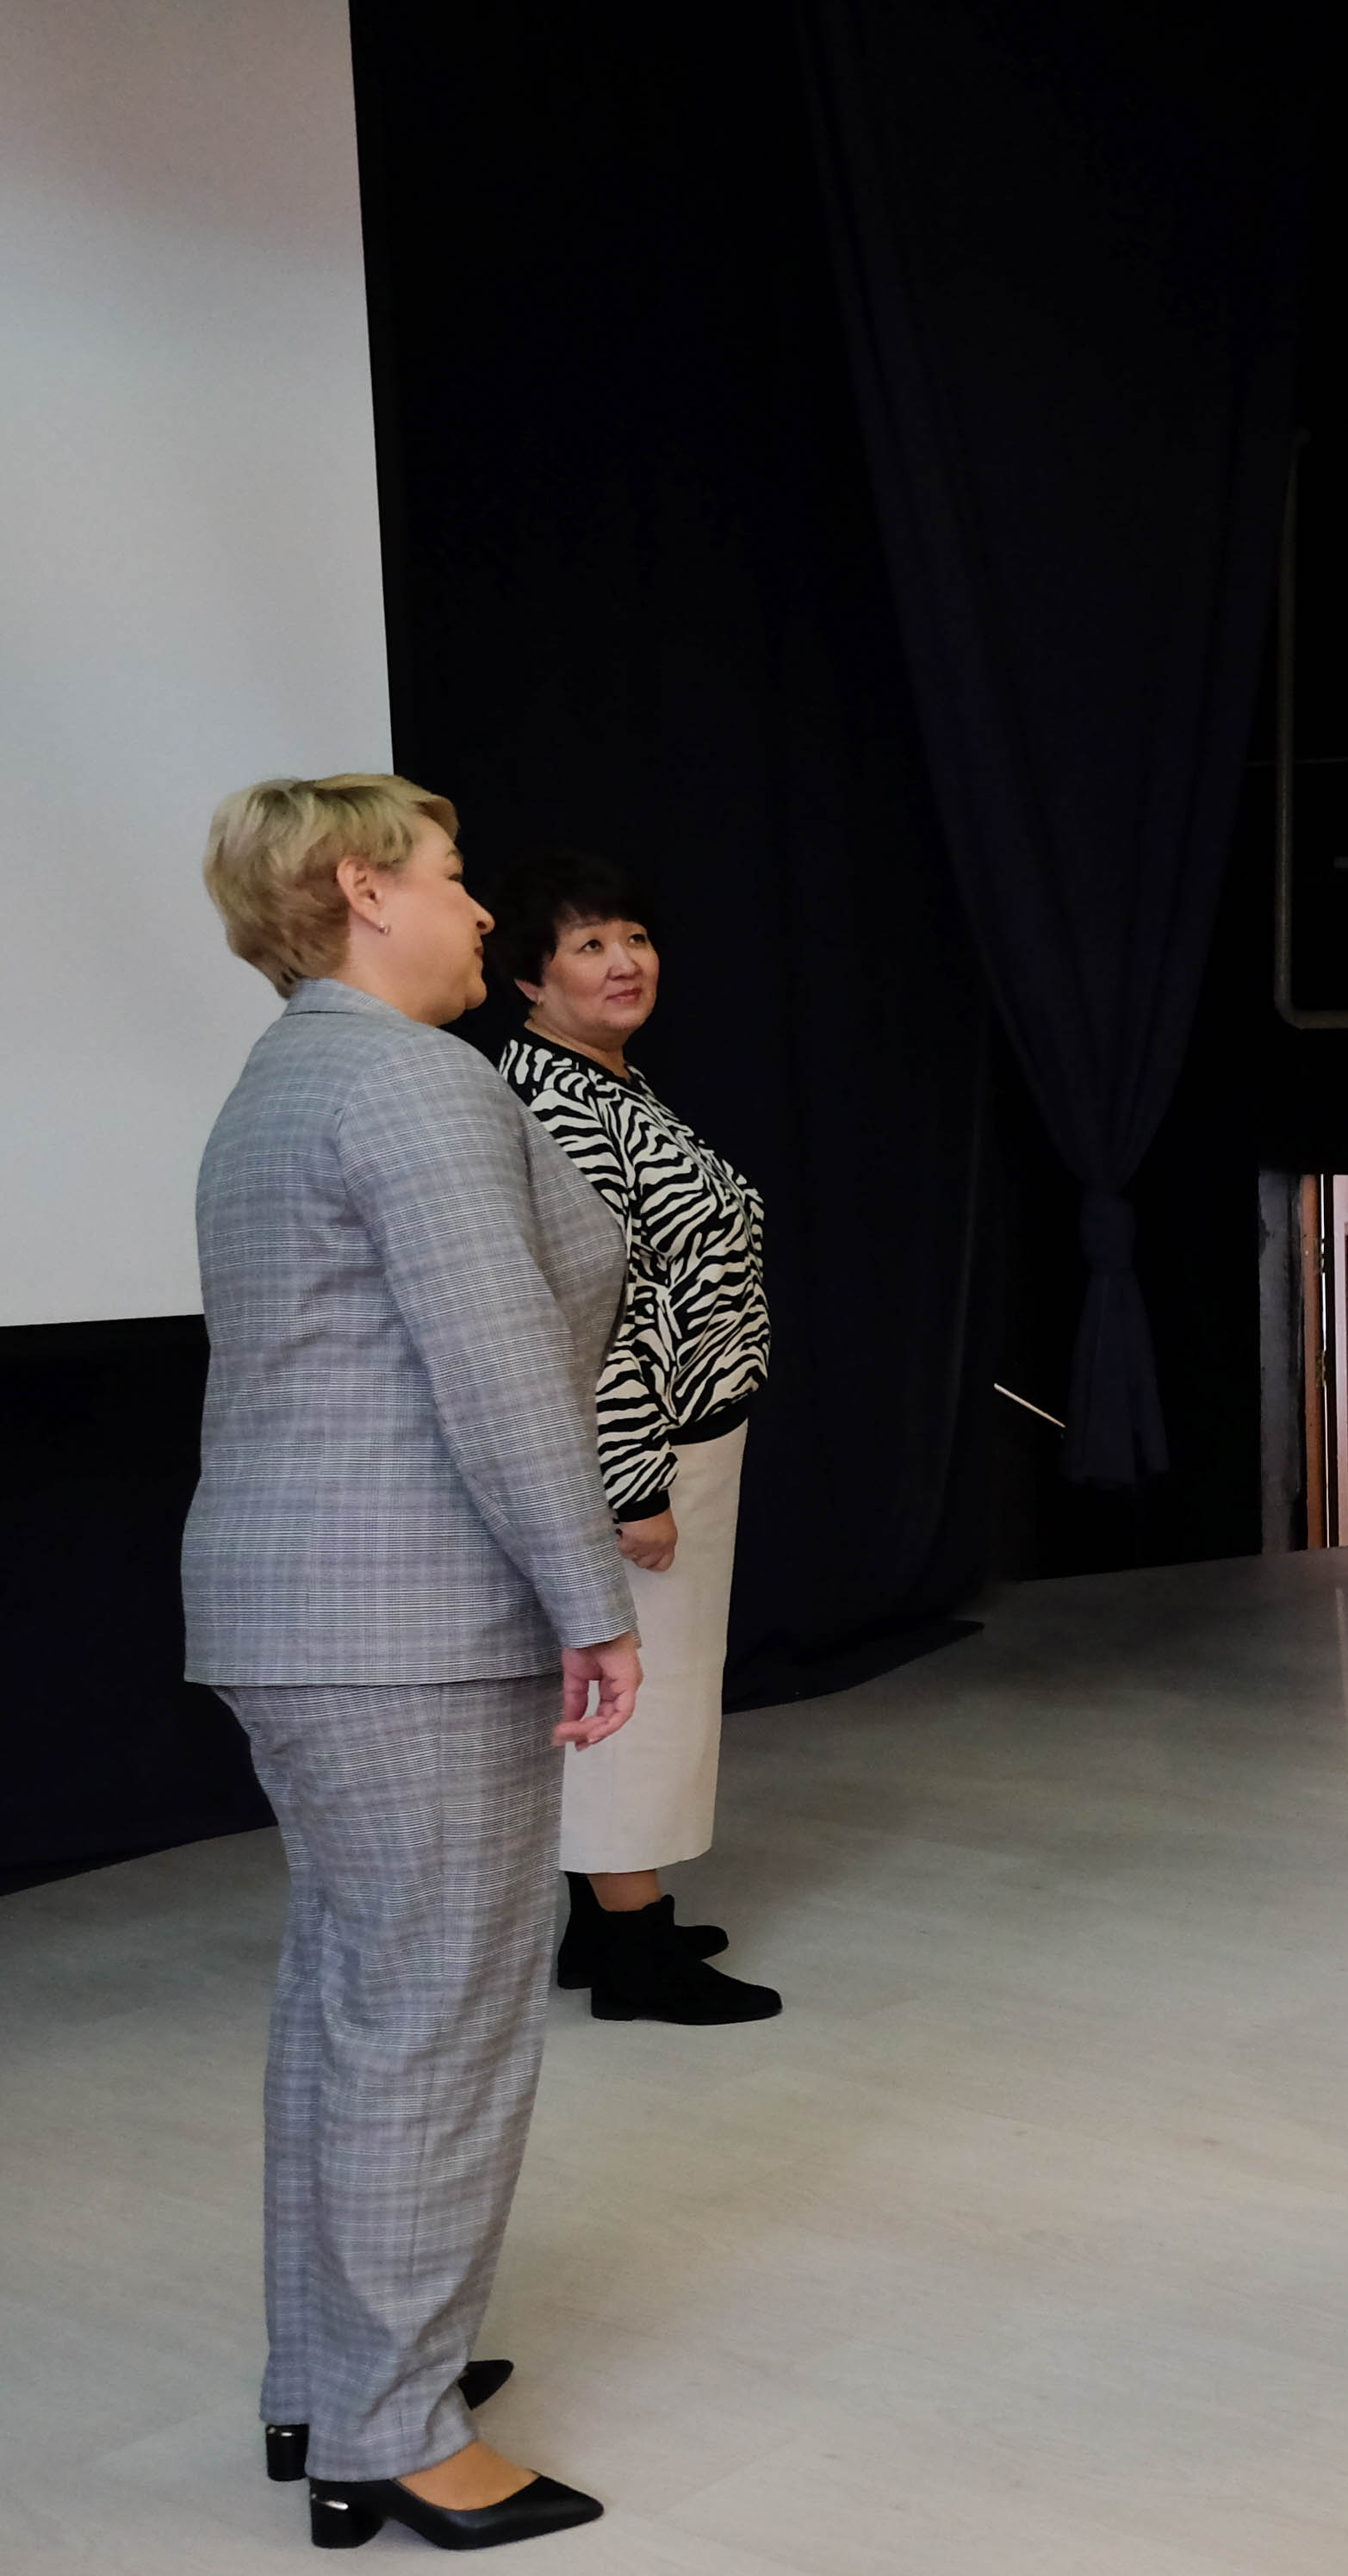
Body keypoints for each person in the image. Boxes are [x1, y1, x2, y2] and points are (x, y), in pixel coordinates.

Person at [186, 774, 639, 2549]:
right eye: (454, 879)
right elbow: (500, 1366)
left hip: (303, 1612)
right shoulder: (411, 1080)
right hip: (408, 1619)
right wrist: (590, 1596)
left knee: (354, 2001)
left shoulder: (287, 1074)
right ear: (364, 889)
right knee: (435, 2020)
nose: (481, 911)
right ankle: (394, 2423)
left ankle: (333, 2376)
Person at [491, 853, 780, 2024]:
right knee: (634, 1701)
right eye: (590, 945)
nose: (624, 963)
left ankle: (597, 1924)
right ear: (531, 978)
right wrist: (632, 1480)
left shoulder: (611, 1079)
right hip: (646, 1453)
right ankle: (634, 1952)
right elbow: (595, 1307)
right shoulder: (555, 1097)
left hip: (686, 1433)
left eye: (636, 939)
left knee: (649, 1687)